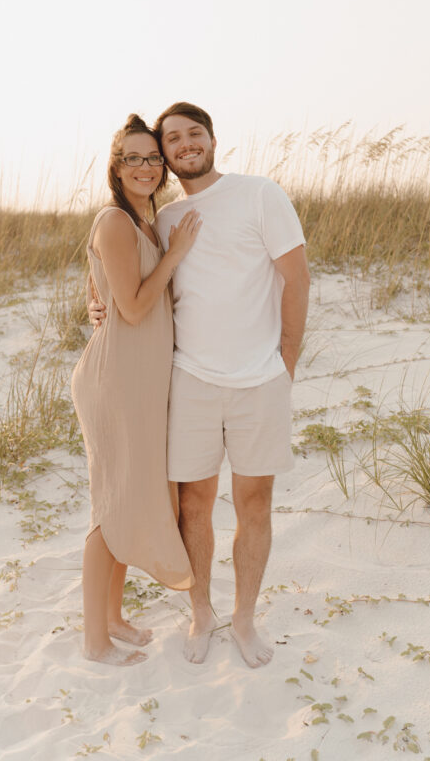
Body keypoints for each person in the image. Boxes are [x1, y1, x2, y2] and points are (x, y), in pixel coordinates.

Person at [89, 103, 310, 668]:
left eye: (194, 134)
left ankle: (243, 619)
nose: (184, 145)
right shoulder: (161, 222)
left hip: (260, 379)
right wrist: (97, 304)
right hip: (189, 381)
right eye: (172, 140)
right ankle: (201, 614)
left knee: (255, 501)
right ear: (161, 155)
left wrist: (287, 358)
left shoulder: (260, 193)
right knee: (193, 504)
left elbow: (296, 276)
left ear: (212, 138)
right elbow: (134, 284)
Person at [71, 113, 201, 666]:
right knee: (112, 507)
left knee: (125, 500)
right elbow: (132, 305)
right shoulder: (116, 222)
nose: (146, 167)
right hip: (116, 381)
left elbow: (98, 288)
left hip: (141, 381)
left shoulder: (142, 221)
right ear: (116, 167)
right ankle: (93, 640)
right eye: (134, 158)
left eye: (153, 157)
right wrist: (176, 254)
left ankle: (114, 616)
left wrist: (91, 299)